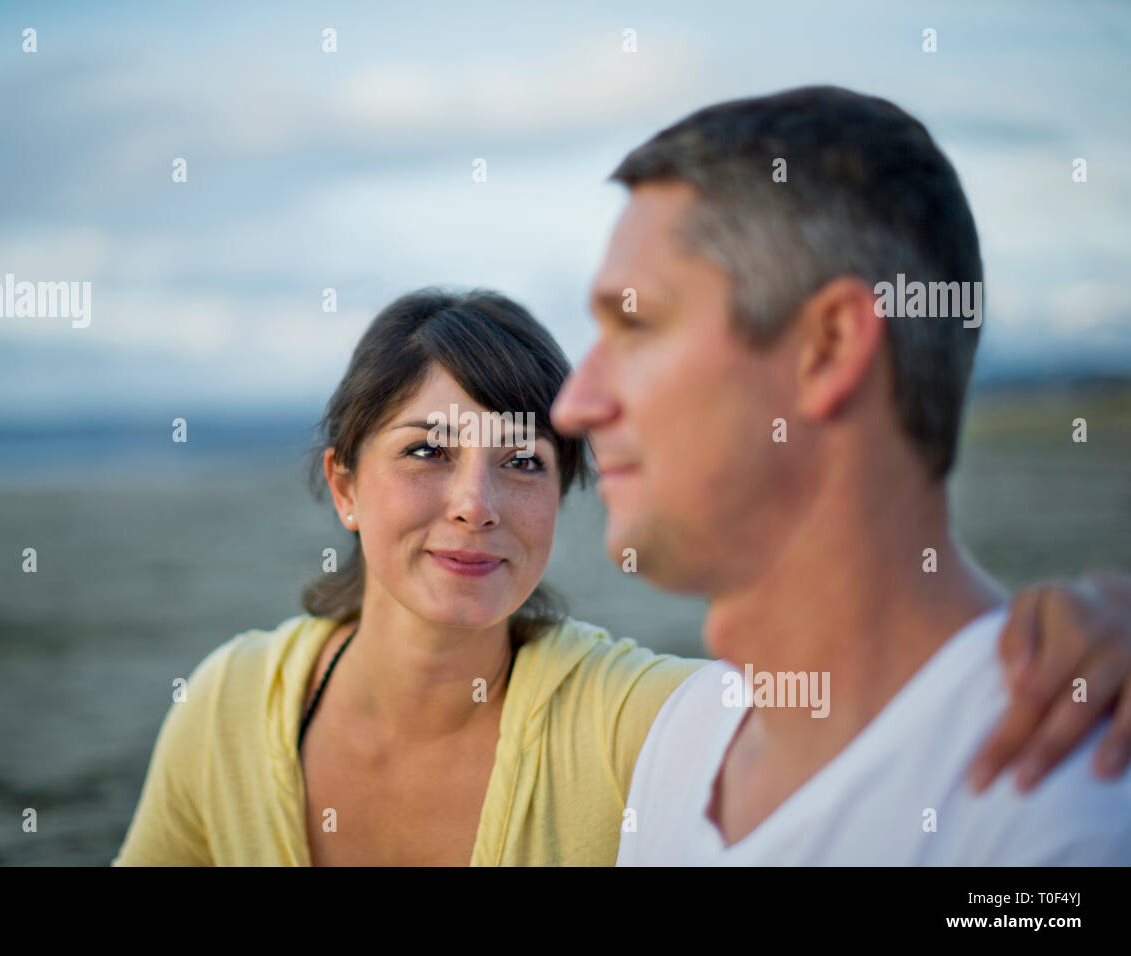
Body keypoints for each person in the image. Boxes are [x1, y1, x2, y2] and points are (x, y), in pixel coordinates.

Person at [114, 285, 1131, 866]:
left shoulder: (622, 721)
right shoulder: (230, 705)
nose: (476, 502)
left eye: (523, 462)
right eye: (426, 451)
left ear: (562, 496)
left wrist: (1077, 624)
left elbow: (876, 717)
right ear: (343, 483)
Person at [543, 85, 1131, 864]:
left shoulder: (1063, 809)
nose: (573, 404)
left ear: (829, 347)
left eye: (637, 324)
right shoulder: (683, 742)